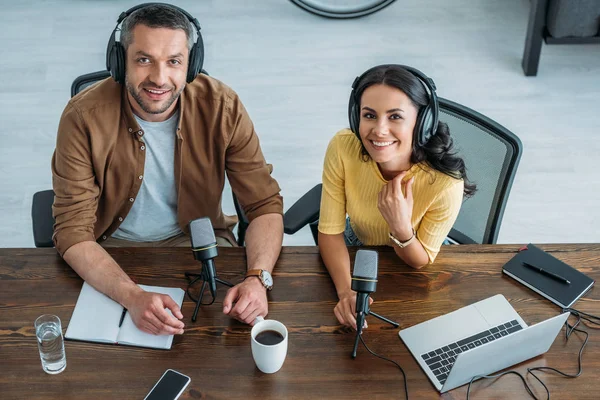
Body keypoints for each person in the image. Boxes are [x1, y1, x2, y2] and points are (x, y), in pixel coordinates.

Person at [51, 4, 283, 335]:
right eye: (143, 59)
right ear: (119, 61)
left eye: (174, 61)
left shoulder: (223, 107)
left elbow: (264, 205)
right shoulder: (82, 116)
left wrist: (257, 277)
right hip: (110, 250)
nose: (160, 79)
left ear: (192, 64)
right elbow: (73, 232)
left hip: (199, 245)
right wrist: (132, 296)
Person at [318, 64, 476, 329]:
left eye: (395, 117)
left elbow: (420, 260)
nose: (379, 130)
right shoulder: (343, 147)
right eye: (369, 115)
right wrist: (346, 292)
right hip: (357, 245)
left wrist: (400, 227)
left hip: (414, 253)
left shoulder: (446, 183)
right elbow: (330, 232)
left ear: (421, 122)